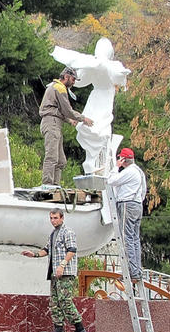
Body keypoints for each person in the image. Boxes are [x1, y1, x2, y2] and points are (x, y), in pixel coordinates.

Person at [52, 39, 131, 175]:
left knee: (100, 128)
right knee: (99, 128)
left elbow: (81, 80)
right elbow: (118, 77)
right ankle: (95, 162)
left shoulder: (94, 64)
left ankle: (98, 161)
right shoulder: (106, 65)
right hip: (103, 96)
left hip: (99, 97)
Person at [21, 208, 88, 332]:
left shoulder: (67, 232)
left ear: (62, 218)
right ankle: (58, 329)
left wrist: (62, 265)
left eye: (55, 218)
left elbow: (72, 250)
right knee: (55, 302)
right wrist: (33, 254)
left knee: (65, 300)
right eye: (51, 218)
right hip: (54, 273)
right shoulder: (53, 233)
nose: (53, 221)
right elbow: (46, 250)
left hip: (65, 273)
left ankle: (80, 328)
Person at [39, 67, 94, 187]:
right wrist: (83, 118)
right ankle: (47, 184)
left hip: (54, 122)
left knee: (60, 161)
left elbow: (58, 110)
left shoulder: (55, 87)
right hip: (51, 123)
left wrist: (69, 120)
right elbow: (67, 109)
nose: (74, 82)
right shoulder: (59, 88)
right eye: (73, 79)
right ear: (66, 77)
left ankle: (55, 184)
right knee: (52, 156)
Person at [107, 148, 147, 283]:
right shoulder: (139, 172)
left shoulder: (129, 171)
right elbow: (143, 191)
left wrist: (115, 168)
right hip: (137, 205)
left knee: (127, 238)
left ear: (123, 159)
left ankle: (133, 272)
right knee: (134, 238)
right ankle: (137, 271)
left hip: (127, 204)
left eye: (120, 159)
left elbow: (111, 180)